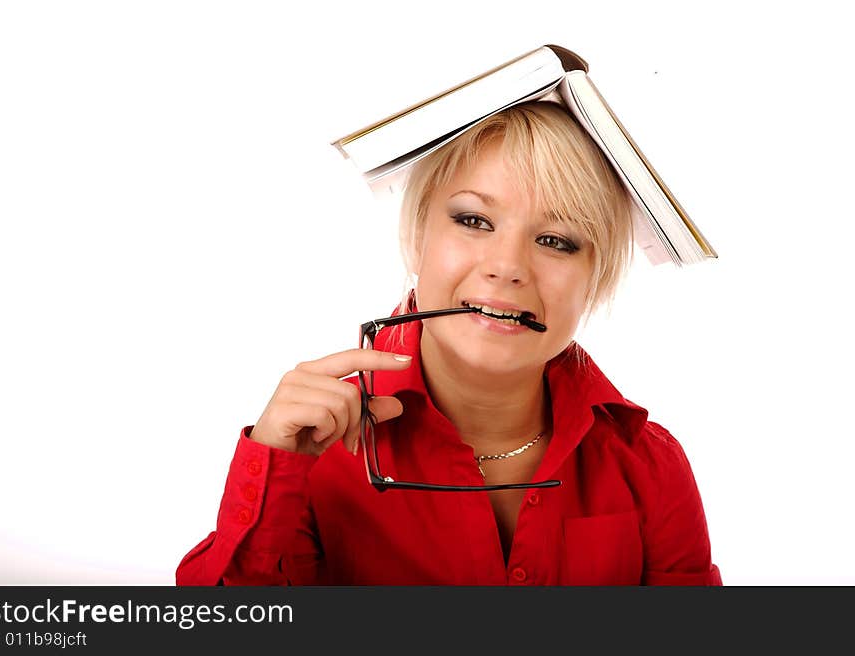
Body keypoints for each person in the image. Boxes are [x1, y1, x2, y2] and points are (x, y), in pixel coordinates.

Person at [176, 100, 722, 586]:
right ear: (417, 237)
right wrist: (271, 475)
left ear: (594, 279)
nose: (507, 267)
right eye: (474, 220)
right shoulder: (314, 455)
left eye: (555, 240)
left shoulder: (649, 467)